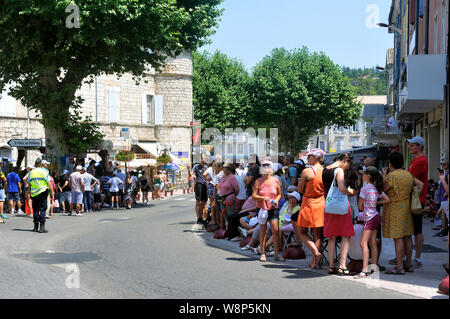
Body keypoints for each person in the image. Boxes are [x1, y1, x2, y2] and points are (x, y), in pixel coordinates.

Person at [382, 152, 424, 274]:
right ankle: (409, 264)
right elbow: (420, 185)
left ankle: (399, 266)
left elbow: (384, 189)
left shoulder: (392, 176)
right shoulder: (408, 175)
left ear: (390, 164)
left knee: (398, 238)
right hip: (407, 207)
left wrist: (384, 175)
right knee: (407, 236)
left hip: (395, 207)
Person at [322, 153, 358, 275]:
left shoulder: (325, 169)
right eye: (349, 164)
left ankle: (331, 266)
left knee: (331, 236)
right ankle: (342, 265)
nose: (348, 167)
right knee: (345, 235)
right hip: (341, 206)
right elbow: (342, 188)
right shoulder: (339, 171)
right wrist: (352, 191)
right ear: (345, 161)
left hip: (329, 204)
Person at [354, 166, 391, 279]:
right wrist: (375, 204)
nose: (362, 175)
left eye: (363, 174)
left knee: (363, 243)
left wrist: (367, 206)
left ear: (368, 175)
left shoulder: (364, 189)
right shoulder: (376, 188)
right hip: (376, 216)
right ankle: (374, 268)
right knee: (373, 243)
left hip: (369, 217)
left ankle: (364, 270)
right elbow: (387, 199)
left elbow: (360, 206)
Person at [297, 148, 326, 269]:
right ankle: (314, 262)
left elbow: (299, 189)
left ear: (316, 157)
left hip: (308, 202)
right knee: (317, 234)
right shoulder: (326, 171)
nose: (307, 158)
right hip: (321, 202)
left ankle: (316, 253)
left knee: (302, 231)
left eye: (309, 156)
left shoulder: (307, 171)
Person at [252, 157, 283, 262]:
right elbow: (253, 196)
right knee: (263, 231)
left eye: (268, 166)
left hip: (273, 208)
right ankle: (263, 252)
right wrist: (262, 198)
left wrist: (276, 200)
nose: (266, 168)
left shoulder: (276, 181)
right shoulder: (258, 181)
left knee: (276, 230)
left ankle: (276, 253)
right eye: (264, 166)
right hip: (262, 209)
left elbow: (279, 194)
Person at [407, 136, 428, 268]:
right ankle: (409, 256)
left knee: (417, 230)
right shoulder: (415, 159)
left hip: (417, 200)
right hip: (415, 198)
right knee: (413, 229)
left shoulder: (420, 161)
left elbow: (410, 178)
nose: (410, 147)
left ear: (419, 147)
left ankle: (417, 258)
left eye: (412, 145)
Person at [28, 158, 54, 233]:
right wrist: (52, 192)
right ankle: (42, 227)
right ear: (40, 164)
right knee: (42, 209)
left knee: (35, 209)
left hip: (34, 193)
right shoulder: (44, 171)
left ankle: (35, 227)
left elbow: (29, 184)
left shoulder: (31, 172)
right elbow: (49, 183)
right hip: (43, 192)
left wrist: (30, 192)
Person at [217, 162, 239, 232]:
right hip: (222, 199)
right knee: (225, 216)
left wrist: (231, 195)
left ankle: (231, 231)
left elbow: (237, 189)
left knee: (230, 216)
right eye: (223, 168)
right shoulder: (223, 177)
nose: (223, 169)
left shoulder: (232, 177)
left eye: (225, 168)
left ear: (229, 169)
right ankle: (227, 230)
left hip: (229, 198)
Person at [193, 156, 208, 226]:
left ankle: (204, 218)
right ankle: (199, 218)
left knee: (204, 202)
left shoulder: (207, 167)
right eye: (202, 158)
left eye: (204, 158)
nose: (203, 160)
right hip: (199, 184)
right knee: (198, 201)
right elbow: (192, 174)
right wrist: (191, 174)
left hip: (205, 185)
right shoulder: (196, 166)